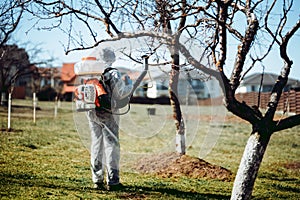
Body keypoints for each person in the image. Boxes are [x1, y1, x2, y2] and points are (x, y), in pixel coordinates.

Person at [86, 48, 133, 191]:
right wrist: (130, 84)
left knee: (96, 144)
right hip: (108, 112)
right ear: (111, 59)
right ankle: (113, 182)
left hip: (91, 111)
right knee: (112, 144)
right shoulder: (113, 73)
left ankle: (97, 180)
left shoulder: (90, 72)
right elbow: (120, 94)